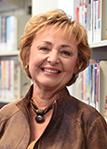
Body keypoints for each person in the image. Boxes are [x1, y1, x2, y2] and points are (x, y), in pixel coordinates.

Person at [0, 9, 107, 149]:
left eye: (65, 52)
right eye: (44, 48)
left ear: (77, 64)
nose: (53, 59)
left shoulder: (90, 123)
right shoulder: (4, 117)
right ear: (27, 56)